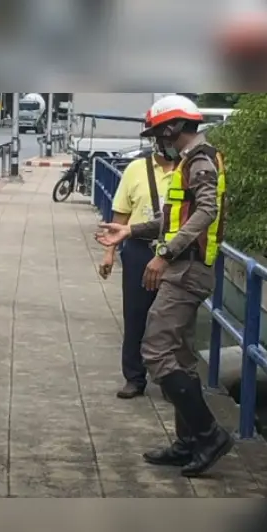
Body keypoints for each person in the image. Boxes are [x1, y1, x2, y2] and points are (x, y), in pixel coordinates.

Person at [95, 95, 232, 477]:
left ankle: (208, 436)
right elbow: (174, 216)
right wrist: (130, 231)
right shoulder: (193, 159)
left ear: (173, 128)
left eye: (158, 132)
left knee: (155, 350)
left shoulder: (199, 160)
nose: (158, 140)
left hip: (186, 270)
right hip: (185, 267)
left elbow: (207, 212)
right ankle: (188, 442)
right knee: (182, 355)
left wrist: (165, 254)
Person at [99, 127, 177, 400]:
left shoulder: (189, 169)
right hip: (138, 252)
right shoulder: (135, 169)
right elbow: (120, 216)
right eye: (164, 139)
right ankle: (134, 377)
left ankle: (171, 381)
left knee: (173, 321)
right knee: (135, 316)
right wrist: (109, 252)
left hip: (175, 254)